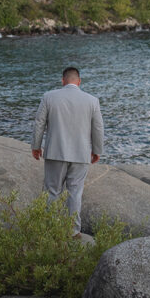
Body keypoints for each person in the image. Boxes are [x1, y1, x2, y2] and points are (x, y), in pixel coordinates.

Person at [31, 66, 105, 235]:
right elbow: (98, 128)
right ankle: (73, 231)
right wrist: (97, 150)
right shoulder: (92, 100)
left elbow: (39, 124)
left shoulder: (49, 97)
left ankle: (50, 230)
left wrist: (36, 146)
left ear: (63, 81)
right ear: (79, 82)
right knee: (75, 193)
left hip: (55, 152)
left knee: (52, 191)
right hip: (81, 154)